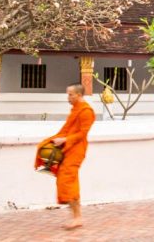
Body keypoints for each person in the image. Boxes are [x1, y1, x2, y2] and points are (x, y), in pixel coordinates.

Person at [35, 84, 95, 230]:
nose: (68, 97)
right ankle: (76, 216)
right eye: (68, 94)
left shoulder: (86, 111)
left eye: (70, 94)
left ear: (79, 95)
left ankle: (77, 217)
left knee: (68, 180)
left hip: (77, 150)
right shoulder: (75, 109)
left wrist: (65, 140)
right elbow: (68, 129)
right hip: (68, 149)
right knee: (67, 180)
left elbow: (82, 133)